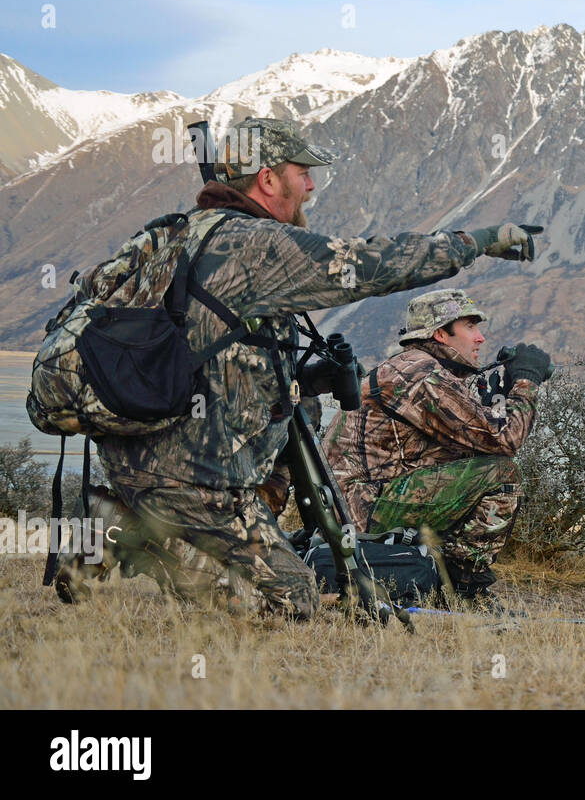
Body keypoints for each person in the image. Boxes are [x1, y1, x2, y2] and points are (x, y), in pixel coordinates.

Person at [55, 117, 542, 619]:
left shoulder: (172, 237)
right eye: (302, 172)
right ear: (268, 179)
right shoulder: (256, 246)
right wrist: (478, 241)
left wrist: (305, 380)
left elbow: (201, 360)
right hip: (194, 478)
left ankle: (123, 517)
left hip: (135, 454)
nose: (310, 185)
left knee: (297, 409)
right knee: (291, 603)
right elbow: (371, 264)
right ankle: (139, 535)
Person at [323, 288, 551, 606]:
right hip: (364, 508)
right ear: (441, 334)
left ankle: (440, 576)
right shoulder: (421, 374)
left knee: (485, 465)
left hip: (349, 507)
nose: (480, 338)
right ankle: (464, 590)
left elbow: (472, 446)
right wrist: (526, 381)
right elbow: (505, 440)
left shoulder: (410, 368)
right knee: (504, 475)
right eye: (470, 327)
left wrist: (495, 402)